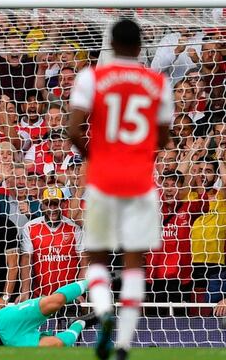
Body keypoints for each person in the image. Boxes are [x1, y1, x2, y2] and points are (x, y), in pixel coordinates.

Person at [68, 19, 173, 360]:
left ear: (111, 44)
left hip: (102, 180)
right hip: (140, 182)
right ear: (140, 47)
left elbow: (73, 129)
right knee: (134, 263)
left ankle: (103, 311)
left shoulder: (92, 77)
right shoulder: (158, 82)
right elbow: (164, 136)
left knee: (96, 256)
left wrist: (95, 156)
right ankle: (125, 342)